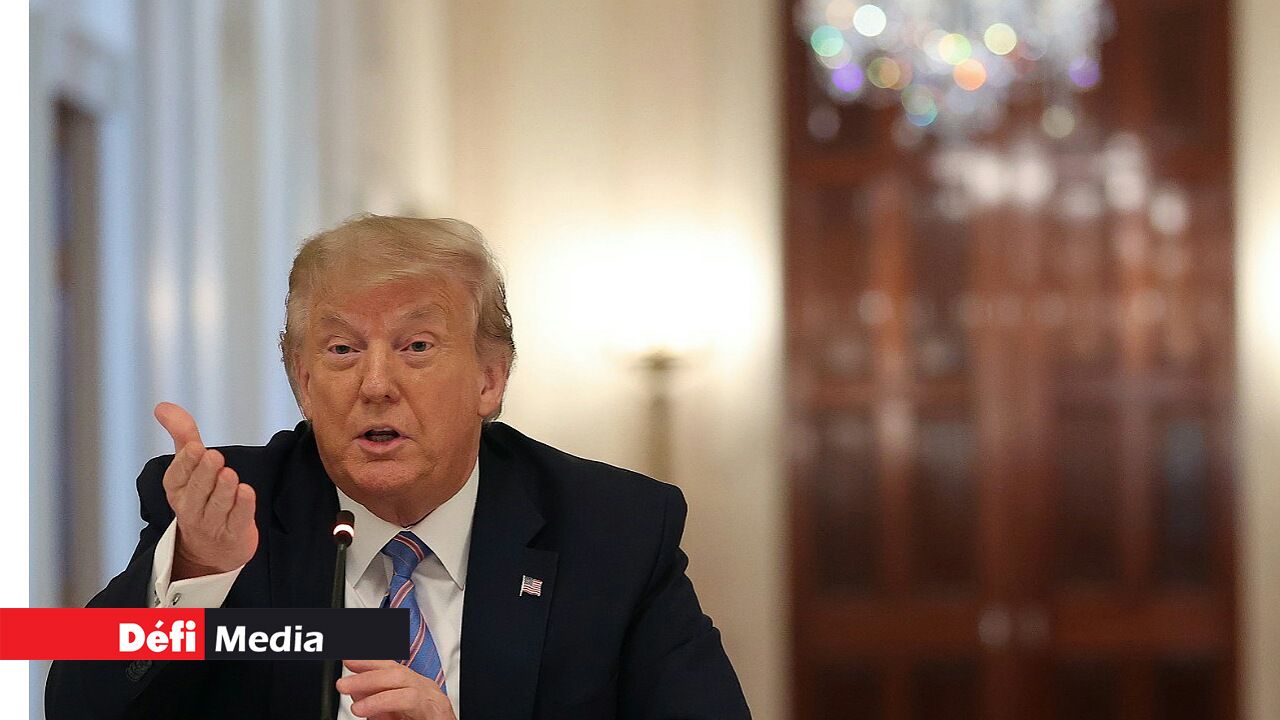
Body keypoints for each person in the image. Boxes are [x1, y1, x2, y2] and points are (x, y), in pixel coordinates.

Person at [45, 215, 750, 720]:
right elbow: (74, 702)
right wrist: (200, 573)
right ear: (302, 381)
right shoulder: (228, 510)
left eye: (416, 346)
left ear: (490, 379)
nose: (376, 384)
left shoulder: (613, 530)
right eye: (342, 350)